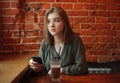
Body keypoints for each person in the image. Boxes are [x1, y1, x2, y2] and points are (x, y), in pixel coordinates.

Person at [29, 6, 88, 75]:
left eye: (56, 20)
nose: (51, 25)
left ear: (64, 22)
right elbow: (42, 69)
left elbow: (82, 68)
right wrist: (34, 65)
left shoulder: (75, 41)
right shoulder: (45, 43)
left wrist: (61, 70)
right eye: (48, 21)